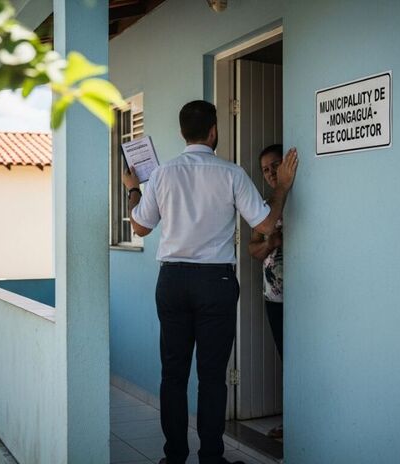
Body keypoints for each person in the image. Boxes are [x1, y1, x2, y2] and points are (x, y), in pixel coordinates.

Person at [122, 100, 298, 464]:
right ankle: (212, 458)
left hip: (172, 280)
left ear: (183, 133)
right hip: (215, 281)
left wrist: (132, 189)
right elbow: (265, 226)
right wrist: (280, 188)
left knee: (173, 375)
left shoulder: (163, 174)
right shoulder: (231, 173)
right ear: (214, 131)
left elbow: (139, 226)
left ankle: (174, 458)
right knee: (212, 376)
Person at [247, 144, 285, 439]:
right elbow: (253, 248)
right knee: (287, 358)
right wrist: (270, 244)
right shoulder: (263, 206)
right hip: (275, 297)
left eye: (275, 165)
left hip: (309, 300)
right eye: (265, 169)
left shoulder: (302, 198)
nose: (271, 173)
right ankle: (291, 420)